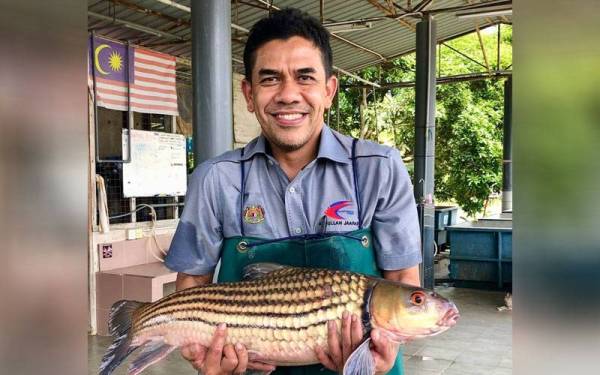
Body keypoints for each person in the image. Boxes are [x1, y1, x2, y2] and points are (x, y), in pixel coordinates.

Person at [165, 7, 422, 375]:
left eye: (305, 77)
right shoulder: (215, 179)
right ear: (249, 94)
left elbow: (401, 282)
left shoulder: (377, 168)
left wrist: (381, 356)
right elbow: (192, 284)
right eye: (270, 79)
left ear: (329, 90)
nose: (288, 95)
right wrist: (202, 350)